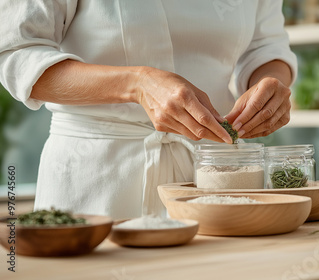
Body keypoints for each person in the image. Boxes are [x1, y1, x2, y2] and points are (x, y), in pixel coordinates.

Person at [0, 0, 297, 219]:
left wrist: (270, 83)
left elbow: (266, 47)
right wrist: (136, 84)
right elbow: (16, 53)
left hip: (212, 176)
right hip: (97, 179)